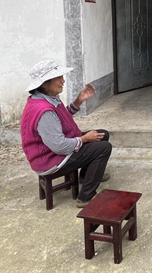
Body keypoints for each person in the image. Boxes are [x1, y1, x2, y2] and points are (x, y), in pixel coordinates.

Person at [20, 60, 112, 208]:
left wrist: (78, 101)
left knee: (102, 135)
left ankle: (85, 176)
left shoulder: (47, 98)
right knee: (103, 147)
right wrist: (84, 138)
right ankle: (85, 197)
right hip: (49, 159)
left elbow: (62, 118)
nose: (63, 81)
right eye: (58, 78)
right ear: (44, 83)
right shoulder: (43, 111)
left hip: (54, 148)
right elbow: (60, 146)